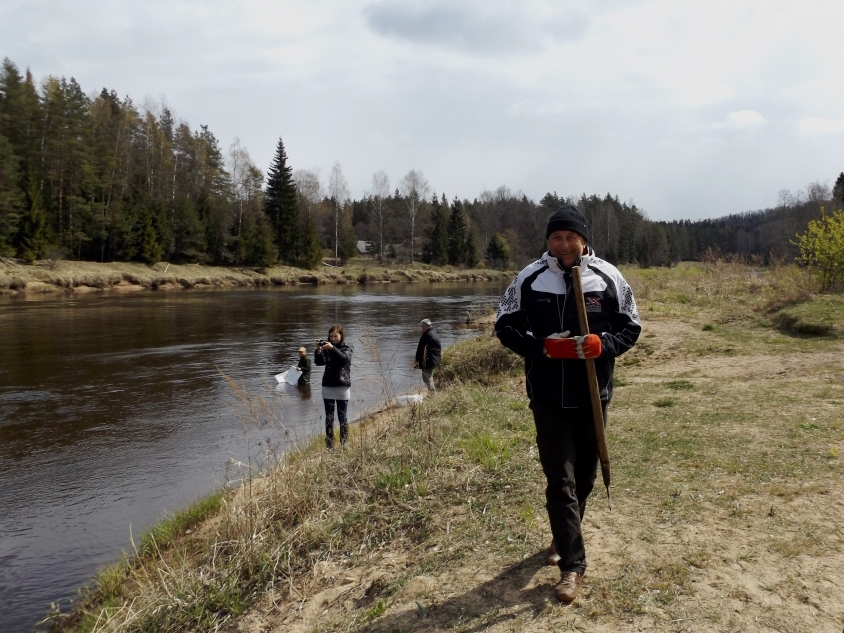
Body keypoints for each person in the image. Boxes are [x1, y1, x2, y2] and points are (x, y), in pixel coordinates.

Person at [494, 205, 640, 604]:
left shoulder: (608, 277)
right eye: (556, 238)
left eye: (570, 238)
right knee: (560, 480)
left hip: (594, 395)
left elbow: (631, 326)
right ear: (549, 241)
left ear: (583, 240)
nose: (563, 245)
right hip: (547, 397)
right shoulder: (529, 278)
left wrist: (602, 344)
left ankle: (563, 535)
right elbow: (504, 326)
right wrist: (542, 347)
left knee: (584, 479)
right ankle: (573, 566)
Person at [314, 325, 353, 449]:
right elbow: (320, 362)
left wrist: (332, 348)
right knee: (329, 417)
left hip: (342, 387)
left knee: (342, 416)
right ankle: (330, 444)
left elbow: (343, 359)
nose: (333, 338)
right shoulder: (327, 349)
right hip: (328, 386)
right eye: (331, 336)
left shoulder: (347, 348)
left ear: (341, 336)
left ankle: (344, 443)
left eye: (335, 336)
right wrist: (319, 350)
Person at [413, 318, 441, 392]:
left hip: (429, 360)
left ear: (425, 326)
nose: (421, 328)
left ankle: (433, 394)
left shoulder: (428, 336)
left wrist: (417, 360)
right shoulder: (432, 332)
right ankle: (432, 392)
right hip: (433, 359)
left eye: (422, 327)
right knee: (427, 377)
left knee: (427, 378)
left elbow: (422, 349)